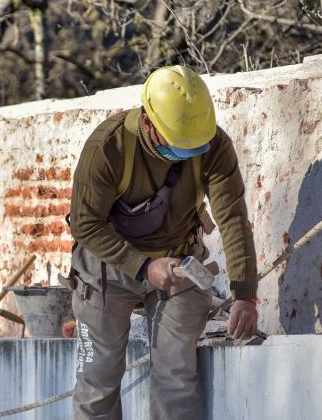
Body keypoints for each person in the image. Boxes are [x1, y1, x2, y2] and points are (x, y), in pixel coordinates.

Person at [67, 65, 259, 419]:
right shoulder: (107, 147)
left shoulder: (214, 145)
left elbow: (232, 219)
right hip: (109, 264)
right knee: (98, 382)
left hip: (181, 264)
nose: (189, 152)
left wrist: (245, 294)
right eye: (179, 145)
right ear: (149, 123)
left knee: (177, 378)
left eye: (194, 146)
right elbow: (85, 224)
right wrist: (143, 266)